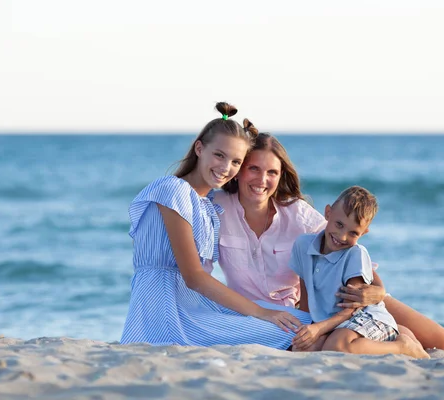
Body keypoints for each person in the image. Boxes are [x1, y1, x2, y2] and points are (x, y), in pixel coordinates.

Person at [213, 129, 444, 354]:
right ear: (238, 169)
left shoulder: (297, 213)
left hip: (342, 302)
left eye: (272, 172)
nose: (262, 180)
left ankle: (397, 333)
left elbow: (348, 248)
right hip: (291, 315)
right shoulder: (217, 207)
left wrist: (378, 292)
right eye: (254, 168)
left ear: (281, 176)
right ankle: (398, 338)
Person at [120, 102, 309, 348]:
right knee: (293, 332)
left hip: (197, 304)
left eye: (236, 162)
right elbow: (194, 277)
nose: (225, 168)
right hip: (164, 309)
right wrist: (262, 313)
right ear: (199, 148)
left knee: (304, 321)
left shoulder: (208, 204)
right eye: (219, 155)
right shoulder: (172, 190)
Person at [289, 186, 429, 358]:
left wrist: (318, 329)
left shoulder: (356, 254)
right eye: (339, 224)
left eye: (353, 232)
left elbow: (352, 309)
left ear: (364, 232)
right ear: (328, 213)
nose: (342, 237)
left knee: (337, 346)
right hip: (331, 324)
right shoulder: (303, 245)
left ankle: (403, 347)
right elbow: (306, 298)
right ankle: (398, 333)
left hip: (363, 317)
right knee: (301, 349)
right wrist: (307, 330)